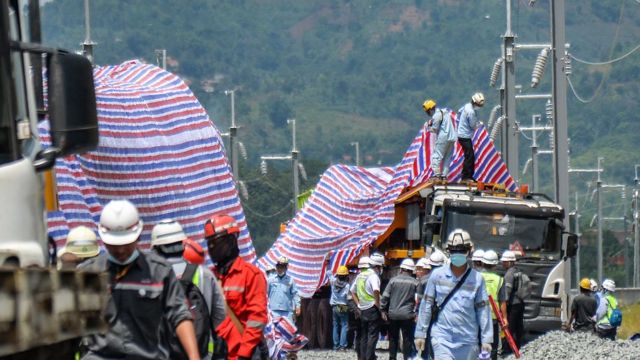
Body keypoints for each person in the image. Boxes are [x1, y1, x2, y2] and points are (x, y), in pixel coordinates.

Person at [80, 200, 200, 360]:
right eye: (115, 244)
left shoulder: (159, 272)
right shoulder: (86, 275)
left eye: (126, 243)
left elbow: (180, 314)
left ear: (138, 236)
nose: (120, 250)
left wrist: (194, 357)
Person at [151, 219, 227, 357]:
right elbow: (220, 317)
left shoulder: (151, 278)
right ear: (182, 244)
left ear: (156, 249)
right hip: (204, 354)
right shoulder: (204, 274)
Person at [414, 229, 492, 360]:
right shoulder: (437, 275)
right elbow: (426, 305)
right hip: (442, 338)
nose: (458, 255)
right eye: (454, 251)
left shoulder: (477, 279)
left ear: (469, 251)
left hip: (468, 341)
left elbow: (483, 310)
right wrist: (420, 333)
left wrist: (487, 339)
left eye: (461, 251)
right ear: (448, 251)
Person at [205, 214, 268, 360]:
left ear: (231, 241)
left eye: (216, 242)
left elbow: (257, 318)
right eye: (210, 244)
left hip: (243, 354)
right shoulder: (209, 277)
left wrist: (244, 354)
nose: (212, 248)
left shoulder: (251, 275)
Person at [381, 258, 418, 360]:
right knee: (407, 339)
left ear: (401, 269)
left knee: (393, 338)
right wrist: (417, 313)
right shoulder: (415, 283)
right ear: (411, 271)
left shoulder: (393, 281)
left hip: (393, 315)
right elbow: (419, 299)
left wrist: (382, 309)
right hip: (408, 315)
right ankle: (407, 358)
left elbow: (385, 296)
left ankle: (392, 358)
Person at [351, 253, 384, 360]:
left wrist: (358, 304)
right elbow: (376, 290)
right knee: (372, 336)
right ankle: (370, 357)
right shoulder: (373, 276)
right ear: (378, 266)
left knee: (364, 335)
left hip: (363, 309)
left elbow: (352, 291)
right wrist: (377, 303)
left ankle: (362, 356)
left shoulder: (361, 275)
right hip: (372, 309)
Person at [423, 99, 457, 181]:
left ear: (431, 109)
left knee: (436, 156)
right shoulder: (444, 112)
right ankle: (444, 176)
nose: (428, 113)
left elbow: (434, 129)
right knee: (447, 158)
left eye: (428, 111)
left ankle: (437, 175)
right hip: (452, 138)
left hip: (443, 138)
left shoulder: (436, 115)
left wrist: (428, 126)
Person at [479, 250, 504, 360]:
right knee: (492, 347)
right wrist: (504, 318)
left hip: (477, 317)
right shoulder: (499, 280)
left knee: (477, 344)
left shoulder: (475, 277)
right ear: (495, 265)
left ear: (482, 263)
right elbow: (503, 301)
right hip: (492, 318)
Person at [500, 250, 525, 353]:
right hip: (520, 303)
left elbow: (506, 293)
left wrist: (503, 305)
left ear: (509, 262)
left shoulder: (509, 274)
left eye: (504, 261)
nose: (502, 263)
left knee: (509, 328)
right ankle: (518, 346)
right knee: (518, 327)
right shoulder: (518, 271)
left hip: (513, 305)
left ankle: (507, 349)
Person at [457, 92, 485, 182]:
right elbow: (473, 125)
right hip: (465, 136)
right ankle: (466, 177)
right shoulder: (471, 112)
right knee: (470, 156)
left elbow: (459, 111)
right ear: (475, 103)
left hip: (462, 134)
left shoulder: (467, 106)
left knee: (469, 155)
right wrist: (479, 124)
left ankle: (467, 176)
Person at [267, 256, 301, 323]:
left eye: (282, 267)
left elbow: (295, 294)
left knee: (288, 331)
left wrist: (298, 306)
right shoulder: (270, 280)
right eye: (278, 267)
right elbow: (265, 294)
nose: (279, 269)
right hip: (274, 311)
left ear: (286, 268)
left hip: (287, 312)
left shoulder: (290, 280)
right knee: (274, 331)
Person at [349, 256, 370, 359]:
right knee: (363, 334)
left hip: (359, 308)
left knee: (360, 334)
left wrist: (357, 307)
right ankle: (362, 355)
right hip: (363, 309)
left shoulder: (358, 278)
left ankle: (360, 356)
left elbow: (351, 295)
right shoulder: (368, 277)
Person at [330, 265, 351, 350]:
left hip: (334, 306)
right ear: (346, 276)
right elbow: (348, 297)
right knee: (344, 325)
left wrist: (328, 263)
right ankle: (342, 346)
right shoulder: (347, 286)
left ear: (337, 275)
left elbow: (329, 273)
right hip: (342, 306)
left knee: (335, 326)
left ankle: (336, 346)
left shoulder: (333, 281)